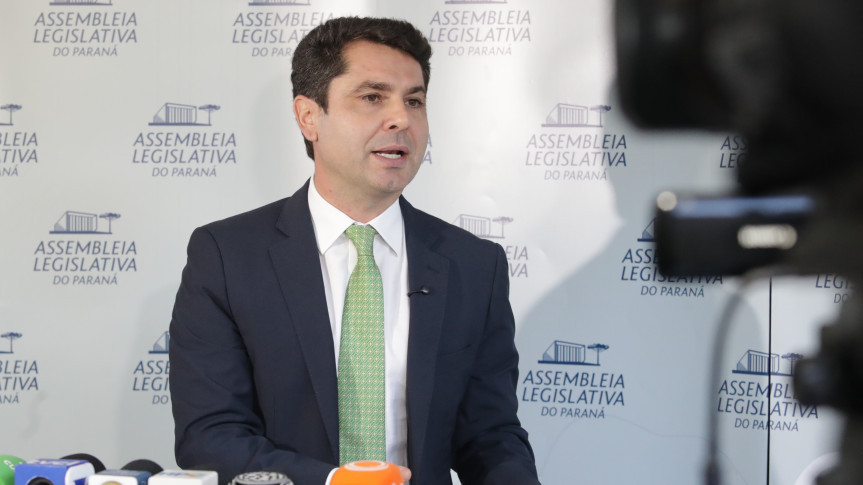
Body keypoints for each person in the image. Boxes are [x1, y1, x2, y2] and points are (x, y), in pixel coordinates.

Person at [169, 16, 539, 485]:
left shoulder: (474, 266)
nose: (401, 119)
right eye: (372, 97)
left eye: (414, 101)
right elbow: (210, 437)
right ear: (309, 117)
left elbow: (491, 437)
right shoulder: (227, 257)